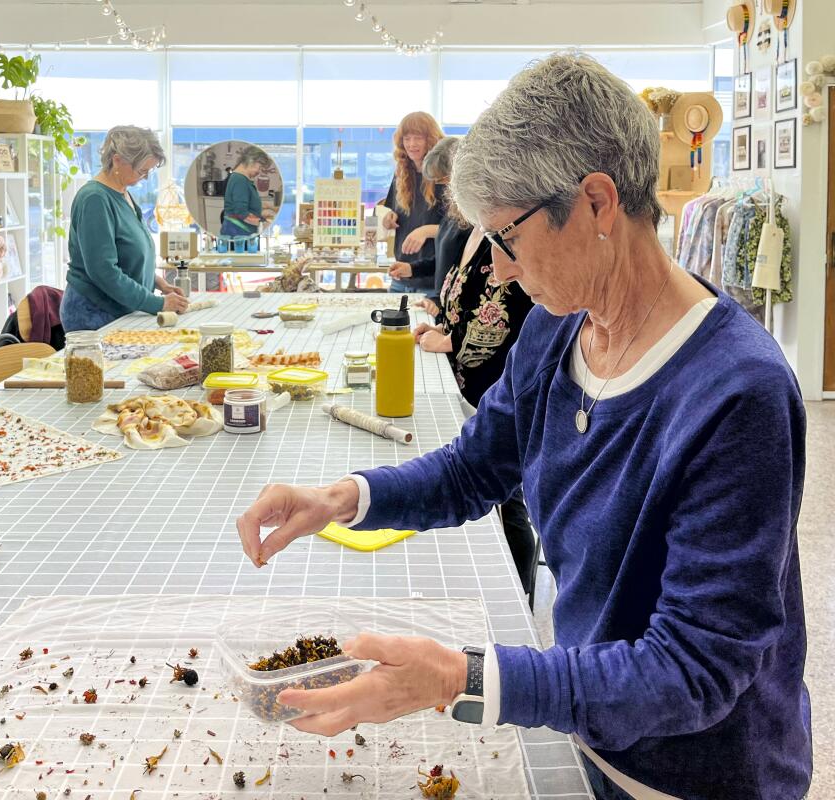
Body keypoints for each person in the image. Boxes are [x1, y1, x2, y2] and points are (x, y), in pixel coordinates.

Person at [235, 53, 810, 800]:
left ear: (599, 204)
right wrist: (342, 498)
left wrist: (461, 678)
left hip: (693, 777)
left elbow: (693, 668)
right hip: (589, 731)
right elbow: (475, 468)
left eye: (507, 238)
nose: (500, 271)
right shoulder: (554, 330)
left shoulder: (737, 394)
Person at [396, 137, 539, 600]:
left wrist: (452, 340)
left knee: (509, 496)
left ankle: (517, 595)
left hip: (493, 378)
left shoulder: (504, 230)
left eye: (448, 188)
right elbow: (462, 293)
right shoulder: (474, 229)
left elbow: (503, 312)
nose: (444, 199)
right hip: (471, 382)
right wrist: (440, 322)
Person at [62, 125, 188, 332]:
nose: (145, 177)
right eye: (142, 171)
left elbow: (127, 256)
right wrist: (157, 303)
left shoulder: (122, 193)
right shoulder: (95, 199)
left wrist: (157, 283)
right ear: (117, 160)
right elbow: (103, 270)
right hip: (95, 312)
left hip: (120, 307)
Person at [388, 137, 472, 306]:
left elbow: (465, 271)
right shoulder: (454, 215)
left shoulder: (475, 221)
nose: (445, 188)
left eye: (444, 181)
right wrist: (412, 269)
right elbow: (444, 259)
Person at [378, 111, 445, 293]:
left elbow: (462, 229)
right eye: (407, 139)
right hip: (401, 273)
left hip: (433, 278)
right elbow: (391, 213)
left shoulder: (445, 177)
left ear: (431, 140)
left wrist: (426, 231)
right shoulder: (401, 175)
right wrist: (389, 218)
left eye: (418, 138)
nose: (411, 144)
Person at [220, 145, 274, 239]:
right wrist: (264, 222)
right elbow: (242, 213)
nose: (260, 172)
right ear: (251, 161)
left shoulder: (242, 179)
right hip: (238, 232)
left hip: (240, 231)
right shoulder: (240, 180)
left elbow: (245, 205)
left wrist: (262, 214)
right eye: (260, 167)